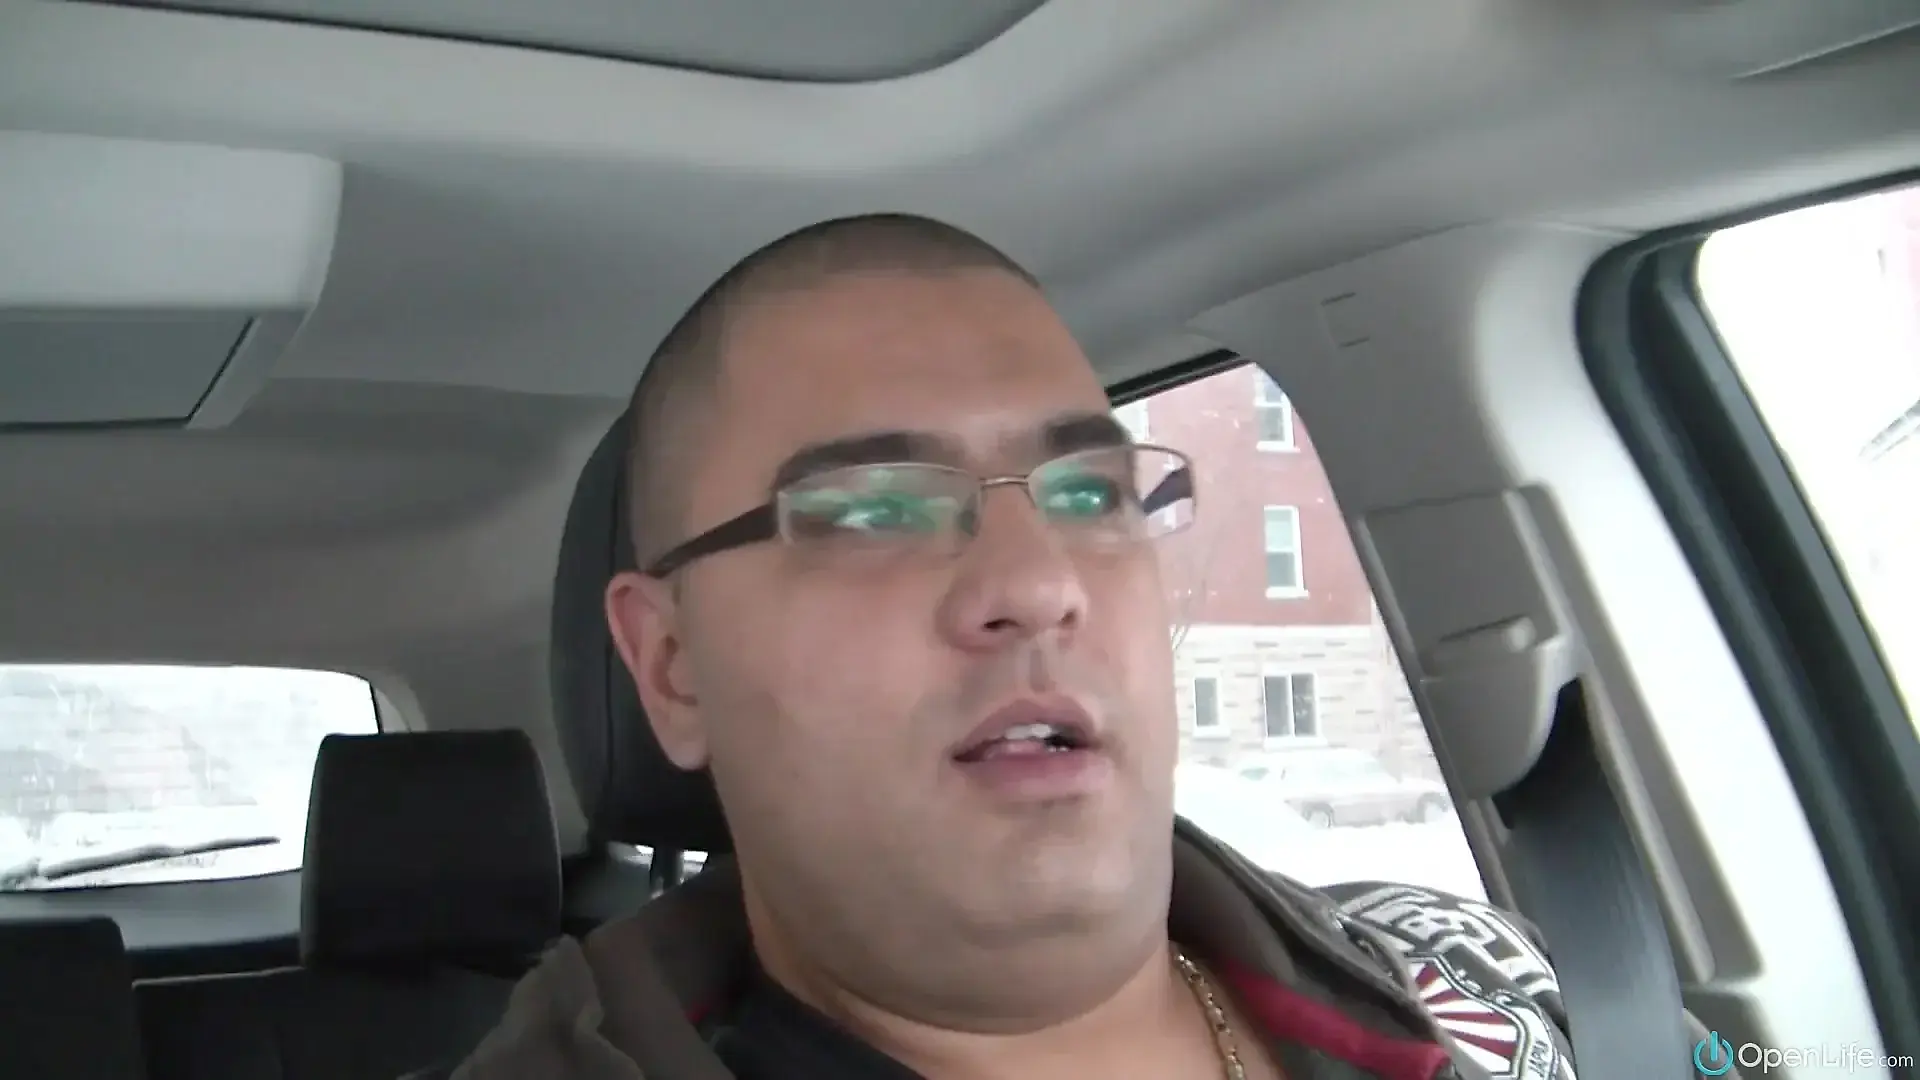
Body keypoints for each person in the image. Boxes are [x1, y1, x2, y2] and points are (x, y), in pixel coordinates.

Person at [449, 214, 1727, 1080]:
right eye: (876, 510)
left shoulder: (1503, 983)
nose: (1037, 583)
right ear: (672, 667)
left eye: (1087, 493)